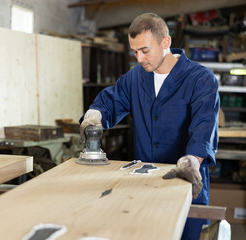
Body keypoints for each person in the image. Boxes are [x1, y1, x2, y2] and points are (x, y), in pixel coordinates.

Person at [79, 13, 219, 240]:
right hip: (143, 187)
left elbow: (204, 127)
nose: (139, 58)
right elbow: (109, 102)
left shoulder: (201, 79)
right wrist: (94, 115)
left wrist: (193, 160)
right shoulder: (134, 78)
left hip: (185, 185)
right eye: (134, 52)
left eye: (145, 50)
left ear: (166, 42)